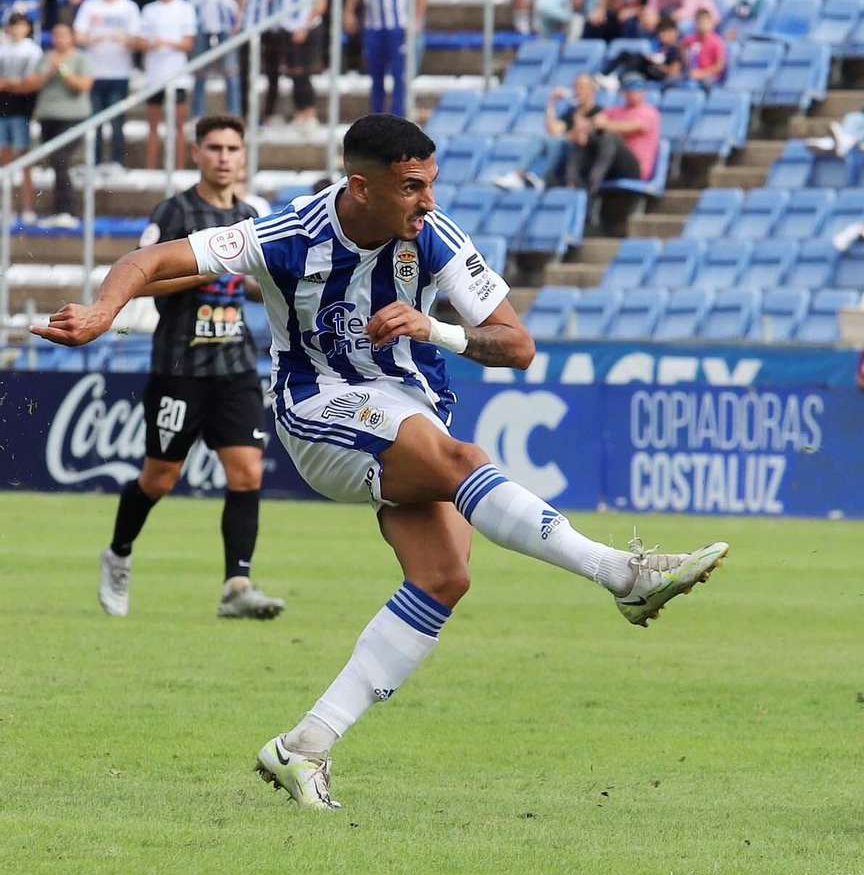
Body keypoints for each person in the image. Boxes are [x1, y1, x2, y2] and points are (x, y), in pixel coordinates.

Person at [33, 113, 731, 809]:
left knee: (443, 576)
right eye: (411, 187)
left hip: (407, 406)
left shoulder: (435, 236)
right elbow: (149, 262)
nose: (427, 201)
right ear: (361, 187)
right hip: (318, 411)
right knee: (464, 459)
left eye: (430, 184)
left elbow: (517, 346)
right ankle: (622, 574)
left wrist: (436, 328)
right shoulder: (285, 235)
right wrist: (101, 312)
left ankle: (304, 745)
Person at [94, 115, 287, 620]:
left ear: (243, 156)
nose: (224, 156)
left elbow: (252, 283)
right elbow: (139, 277)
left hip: (236, 365)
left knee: (246, 473)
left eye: (232, 148)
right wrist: (201, 267)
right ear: (196, 152)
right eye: (214, 147)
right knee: (159, 478)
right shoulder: (174, 212)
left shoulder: (253, 215)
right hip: (180, 366)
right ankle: (118, 554)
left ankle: (237, 586)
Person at [15, 20, 89, 227]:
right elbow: (31, 84)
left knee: (61, 159)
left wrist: (63, 70)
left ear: (71, 37)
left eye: (63, 35)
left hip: (72, 118)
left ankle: (68, 210)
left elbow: (83, 85)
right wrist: (49, 71)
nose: (59, 40)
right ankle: (58, 211)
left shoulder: (81, 58)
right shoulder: (45, 58)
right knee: (56, 163)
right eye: (56, 35)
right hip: (48, 117)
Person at [174, 0, 243, 119]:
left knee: (230, 66)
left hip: (224, 13)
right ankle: (198, 112)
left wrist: (238, 16)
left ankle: (233, 111)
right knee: (199, 65)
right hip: (201, 12)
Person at [73, 0, 139, 170]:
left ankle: (117, 161)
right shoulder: (90, 6)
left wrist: (123, 39)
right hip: (94, 72)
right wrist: (96, 37)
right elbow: (78, 36)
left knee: (117, 121)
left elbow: (137, 40)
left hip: (119, 72)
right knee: (95, 121)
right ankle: (96, 161)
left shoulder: (129, 8)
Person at [136, 0, 195, 171]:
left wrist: (165, 42)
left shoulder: (185, 8)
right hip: (154, 76)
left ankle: (178, 168)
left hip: (177, 75)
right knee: (153, 124)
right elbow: (141, 41)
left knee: (178, 124)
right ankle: (150, 167)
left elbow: (188, 43)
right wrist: (153, 44)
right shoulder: (149, 10)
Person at [565, 70, 655, 194]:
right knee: (587, 137)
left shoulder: (649, 112)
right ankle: (572, 181)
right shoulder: (614, 111)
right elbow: (594, 123)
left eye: (638, 86)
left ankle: (593, 182)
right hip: (612, 164)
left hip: (634, 168)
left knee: (610, 135)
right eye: (629, 86)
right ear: (622, 91)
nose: (633, 91)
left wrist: (599, 125)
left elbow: (630, 127)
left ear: (644, 91)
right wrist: (583, 131)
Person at [279, 0, 331, 126]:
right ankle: (298, 110)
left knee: (303, 71)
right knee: (293, 71)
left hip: (307, 28)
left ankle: (309, 111)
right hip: (288, 26)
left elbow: (320, 4)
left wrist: (304, 27)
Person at [0, 12, 41, 221]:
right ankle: (7, 207)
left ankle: (27, 207)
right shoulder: (3, 49)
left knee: (24, 160)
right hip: (3, 110)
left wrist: (10, 83)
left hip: (21, 111)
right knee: (3, 159)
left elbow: (30, 83)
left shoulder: (32, 51)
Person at [597, 15, 681, 85]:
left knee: (639, 58)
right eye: (661, 32)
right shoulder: (660, 47)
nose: (663, 35)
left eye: (667, 32)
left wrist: (655, 63)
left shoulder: (675, 50)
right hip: (649, 69)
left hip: (657, 75)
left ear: (675, 32)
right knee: (626, 53)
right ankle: (604, 75)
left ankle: (619, 81)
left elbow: (673, 72)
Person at [680, 6, 724, 88]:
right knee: (672, 80)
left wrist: (701, 73)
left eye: (705, 21)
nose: (702, 25)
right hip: (693, 72)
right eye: (699, 22)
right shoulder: (691, 39)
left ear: (711, 22)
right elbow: (681, 45)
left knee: (707, 83)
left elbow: (719, 66)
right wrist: (686, 61)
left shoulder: (716, 41)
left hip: (709, 74)